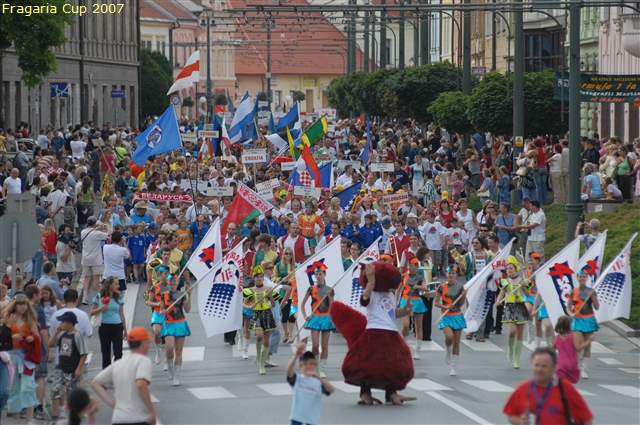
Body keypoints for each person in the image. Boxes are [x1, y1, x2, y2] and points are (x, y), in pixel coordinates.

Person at [503, 347, 594, 425]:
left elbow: (586, 419)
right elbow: (511, 415)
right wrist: (520, 422)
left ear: (553, 368)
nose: (539, 369)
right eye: (536, 365)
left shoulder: (565, 388)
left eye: (544, 366)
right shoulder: (523, 388)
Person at [91, 327, 157, 425]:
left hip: (118, 418)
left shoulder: (119, 364)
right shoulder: (143, 360)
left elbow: (95, 383)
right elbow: (141, 384)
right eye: (148, 342)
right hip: (138, 418)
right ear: (143, 344)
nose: (149, 345)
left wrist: (114, 404)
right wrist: (151, 410)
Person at [4, 293, 40, 423]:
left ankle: (30, 418)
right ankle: (16, 419)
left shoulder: (30, 320)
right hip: (11, 355)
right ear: (14, 305)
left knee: (28, 386)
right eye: (20, 304)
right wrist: (11, 337)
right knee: (13, 388)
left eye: (25, 304)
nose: (23, 307)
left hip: (26, 356)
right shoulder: (8, 319)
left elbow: (37, 337)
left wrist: (32, 338)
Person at [48, 311, 88, 421]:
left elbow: (84, 353)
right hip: (61, 367)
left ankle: (73, 416)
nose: (60, 324)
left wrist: (79, 368)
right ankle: (55, 416)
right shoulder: (61, 334)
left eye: (63, 322)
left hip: (72, 369)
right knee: (55, 390)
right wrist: (56, 332)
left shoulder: (77, 335)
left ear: (69, 324)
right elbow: (50, 344)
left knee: (72, 393)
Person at [496, 258, 534, 369]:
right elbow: (501, 294)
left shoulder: (523, 281)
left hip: (521, 307)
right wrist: (498, 301)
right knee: (512, 331)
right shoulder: (505, 282)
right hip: (509, 307)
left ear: (516, 269)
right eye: (507, 269)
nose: (509, 270)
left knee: (519, 334)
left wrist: (523, 286)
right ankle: (510, 349)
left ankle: (517, 359)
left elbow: (527, 295)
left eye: (511, 268)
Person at [286, 343, 335, 425]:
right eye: (305, 364)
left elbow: (331, 389)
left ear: (315, 366)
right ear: (300, 366)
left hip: (311, 419)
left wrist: (319, 377)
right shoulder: (297, 379)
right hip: (297, 417)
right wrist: (296, 355)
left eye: (311, 364)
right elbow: (288, 371)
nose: (308, 366)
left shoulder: (317, 382)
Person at [300, 264, 335, 378]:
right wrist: (305, 316)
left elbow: (332, 306)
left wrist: (329, 296)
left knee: (324, 345)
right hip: (315, 317)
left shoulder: (330, 289)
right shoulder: (311, 289)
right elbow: (302, 304)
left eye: (320, 274)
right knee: (315, 345)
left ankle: (322, 369)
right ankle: (315, 366)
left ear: (325, 275)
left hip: (326, 318)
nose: (318, 276)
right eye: (316, 274)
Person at [434, 265, 467, 376]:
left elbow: (460, 304)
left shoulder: (460, 287)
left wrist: (463, 296)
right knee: (449, 337)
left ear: (456, 275)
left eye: (453, 273)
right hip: (445, 316)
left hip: (457, 316)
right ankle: (448, 349)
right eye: (449, 273)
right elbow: (436, 303)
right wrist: (446, 307)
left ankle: (453, 367)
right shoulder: (441, 286)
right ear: (446, 274)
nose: (451, 275)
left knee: (456, 342)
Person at [566, 270, 599, 379]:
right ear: (577, 278)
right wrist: (571, 314)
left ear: (587, 278)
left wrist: (593, 296)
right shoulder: (573, 291)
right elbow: (568, 307)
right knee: (578, 345)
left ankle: (585, 369)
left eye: (584, 277)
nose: (582, 278)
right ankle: (578, 366)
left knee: (587, 346)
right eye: (580, 277)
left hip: (589, 319)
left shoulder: (591, 291)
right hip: (578, 320)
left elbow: (597, 307)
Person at [160, 273, 192, 386]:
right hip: (168, 324)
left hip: (180, 323)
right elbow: (161, 310)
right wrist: (162, 311)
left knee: (178, 351)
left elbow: (187, 310)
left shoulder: (181, 294)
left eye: (174, 281)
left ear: (177, 283)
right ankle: (170, 367)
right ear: (167, 282)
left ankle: (177, 376)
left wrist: (189, 296)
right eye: (170, 281)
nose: (172, 283)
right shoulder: (163, 295)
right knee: (169, 347)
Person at [243, 266, 276, 375]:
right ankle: (257, 353)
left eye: (261, 276)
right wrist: (249, 306)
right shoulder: (250, 290)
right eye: (257, 277)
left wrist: (270, 295)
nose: (259, 278)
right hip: (256, 314)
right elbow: (244, 303)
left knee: (266, 340)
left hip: (267, 314)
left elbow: (273, 304)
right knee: (259, 335)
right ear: (254, 278)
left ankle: (262, 364)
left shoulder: (268, 288)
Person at [90, 276, 127, 369]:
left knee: (118, 352)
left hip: (117, 326)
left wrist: (125, 330)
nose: (118, 286)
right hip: (104, 327)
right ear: (110, 285)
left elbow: (122, 314)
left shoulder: (119, 297)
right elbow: (92, 312)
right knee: (106, 353)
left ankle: (117, 372)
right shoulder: (99, 297)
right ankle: (106, 373)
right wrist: (103, 307)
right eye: (116, 284)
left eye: (118, 284)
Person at [396, 258, 429, 360]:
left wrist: (419, 287)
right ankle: (404, 346)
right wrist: (395, 302)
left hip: (417, 300)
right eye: (408, 265)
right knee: (406, 325)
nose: (409, 267)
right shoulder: (404, 276)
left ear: (416, 266)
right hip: (405, 300)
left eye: (411, 265)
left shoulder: (420, 277)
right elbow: (398, 290)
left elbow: (426, 288)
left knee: (418, 327)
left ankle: (417, 350)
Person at [552, 316, 595, 384]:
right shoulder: (573, 336)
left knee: (560, 384)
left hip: (561, 364)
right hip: (572, 364)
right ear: (568, 325)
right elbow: (578, 348)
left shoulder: (557, 338)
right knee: (569, 383)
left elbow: (552, 349)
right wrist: (589, 341)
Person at [80, 216, 109, 305]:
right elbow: (108, 234)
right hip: (96, 259)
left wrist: (97, 228)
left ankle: (85, 298)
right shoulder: (97, 234)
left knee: (87, 278)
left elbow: (90, 231)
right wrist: (107, 227)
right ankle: (95, 297)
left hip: (85, 258)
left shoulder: (83, 232)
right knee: (96, 278)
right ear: (95, 223)